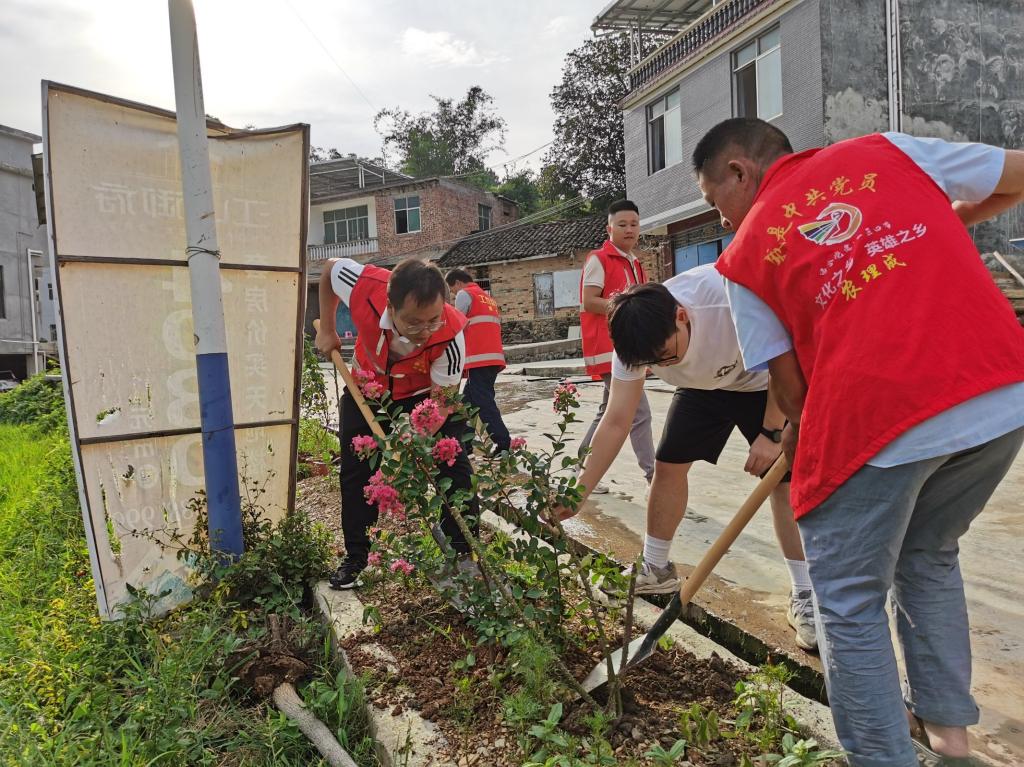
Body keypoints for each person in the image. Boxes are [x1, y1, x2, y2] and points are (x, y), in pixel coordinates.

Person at [696, 117, 1024, 765]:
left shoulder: (746, 255)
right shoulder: (885, 151)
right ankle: (950, 742)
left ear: (739, 171)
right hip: (999, 389)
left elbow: (792, 390)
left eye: (715, 203)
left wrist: (805, 447)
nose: (724, 221)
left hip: (883, 409)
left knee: (847, 598)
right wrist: (946, 218)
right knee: (927, 551)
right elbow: (1017, 175)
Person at [559, 271, 817, 651]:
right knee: (668, 465)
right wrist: (578, 492)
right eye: (650, 364)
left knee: (782, 483)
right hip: (702, 388)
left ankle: (805, 593)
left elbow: (785, 357)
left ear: (682, 316)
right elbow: (616, 421)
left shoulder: (727, 301)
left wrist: (772, 434)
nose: (658, 366)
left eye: (664, 357)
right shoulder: (636, 339)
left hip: (764, 383)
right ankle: (656, 567)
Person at [315, 257, 480, 590]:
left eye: (433, 319)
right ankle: (357, 558)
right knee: (355, 472)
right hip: (366, 389)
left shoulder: (451, 336)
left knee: (455, 469)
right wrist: (330, 331)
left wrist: (404, 449)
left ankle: (465, 556)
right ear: (391, 306)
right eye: (414, 323)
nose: (425, 331)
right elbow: (330, 269)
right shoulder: (365, 286)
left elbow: (442, 401)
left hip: (423, 399)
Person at [578, 199, 656, 492]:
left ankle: (581, 469)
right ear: (608, 228)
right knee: (639, 412)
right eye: (622, 224)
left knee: (606, 410)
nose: (629, 229)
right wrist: (625, 306)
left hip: (629, 346)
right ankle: (653, 477)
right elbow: (589, 300)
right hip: (611, 347)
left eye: (634, 224)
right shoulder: (599, 258)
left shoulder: (634, 262)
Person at [445, 268, 511, 455]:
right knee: (466, 403)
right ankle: (465, 445)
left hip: (479, 358)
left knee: (483, 403)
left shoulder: (465, 294)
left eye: (453, 290)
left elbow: (454, 324)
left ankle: (503, 443)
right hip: (492, 357)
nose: (454, 294)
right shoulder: (487, 298)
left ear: (457, 283)